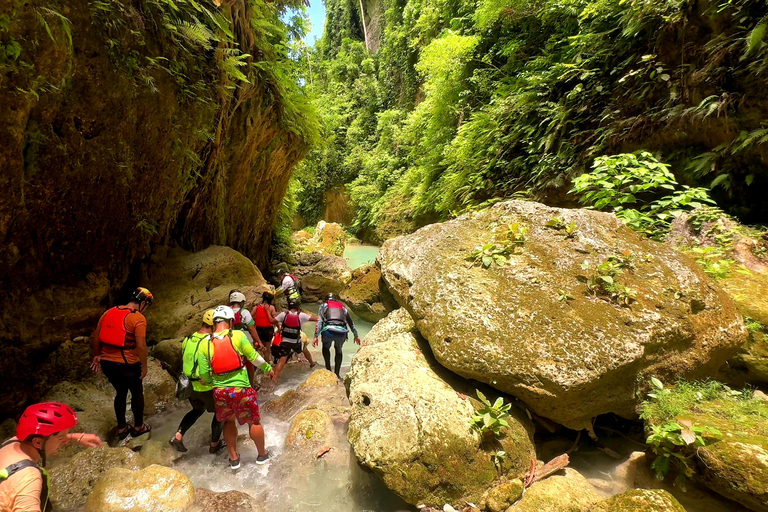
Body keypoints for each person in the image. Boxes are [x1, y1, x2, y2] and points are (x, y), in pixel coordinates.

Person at [197, 306, 273, 470]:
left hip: (220, 391)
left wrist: (211, 382)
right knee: (253, 421)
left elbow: (203, 374)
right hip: (241, 389)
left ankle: (234, 459)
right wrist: (269, 368)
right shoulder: (237, 335)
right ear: (231, 321)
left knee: (229, 422)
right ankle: (262, 454)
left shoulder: (205, 343)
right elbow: (254, 357)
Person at [0, 402, 102, 512]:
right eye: (61, 437)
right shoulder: (30, 478)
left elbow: (46, 437)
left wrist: (75, 437)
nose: (64, 441)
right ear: (38, 443)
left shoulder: (12, 442)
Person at [90, 287, 153, 440]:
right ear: (143, 303)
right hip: (127, 365)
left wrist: (97, 355)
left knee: (121, 392)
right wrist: (144, 366)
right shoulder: (138, 318)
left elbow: (96, 337)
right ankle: (138, 427)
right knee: (137, 393)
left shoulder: (109, 312)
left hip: (107, 364)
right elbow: (141, 346)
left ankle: (122, 428)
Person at [169, 309, 225, 454]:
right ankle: (214, 444)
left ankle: (178, 436)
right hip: (205, 385)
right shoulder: (210, 342)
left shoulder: (188, 339)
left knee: (198, 409)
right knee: (220, 413)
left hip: (189, 386)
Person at [314, 293, 361, 377]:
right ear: (335, 300)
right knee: (338, 350)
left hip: (328, 331)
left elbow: (320, 322)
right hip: (341, 333)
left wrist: (316, 336)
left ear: (326, 300)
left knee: (325, 348)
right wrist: (356, 335)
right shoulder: (343, 308)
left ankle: (328, 369)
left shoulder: (324, 306)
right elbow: (351, 324)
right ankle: (337, 374)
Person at [272, 300, 317, 383]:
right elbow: (316, 319)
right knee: (304, 349)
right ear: (298, 307)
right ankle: (311, 363)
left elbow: (272, 321)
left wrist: (277, 325)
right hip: (296, 342)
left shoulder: (283, 315)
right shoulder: (301, 316)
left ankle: (274, 378)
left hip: (285, 341)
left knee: (282, 360)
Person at [252, 291, 278, 363]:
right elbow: (275, 320)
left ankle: (256, 364)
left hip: (258, 329)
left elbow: (251, 317)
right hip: (268, 329)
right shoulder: (271, 308)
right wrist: (279, 328)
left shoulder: (256, 307)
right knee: (267, 349)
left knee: (258, 347)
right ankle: (266, 365)